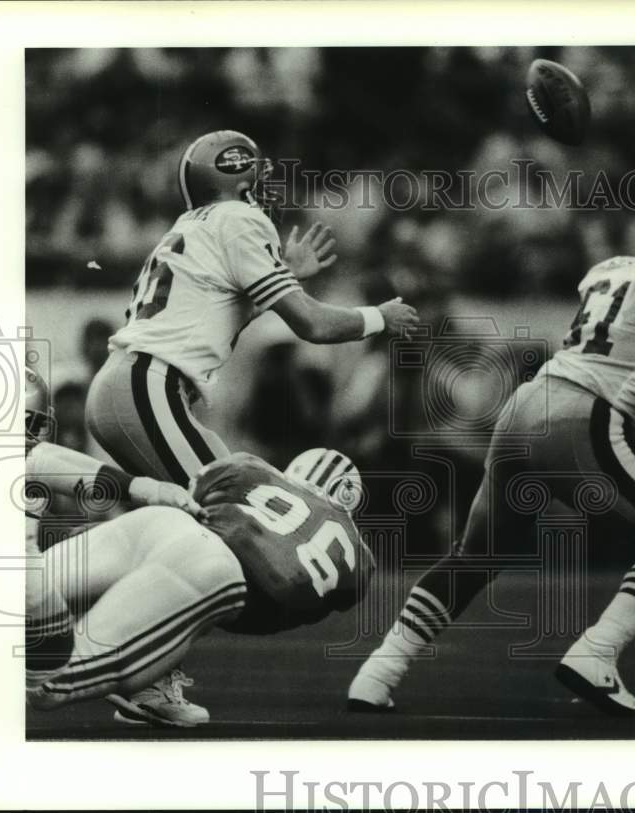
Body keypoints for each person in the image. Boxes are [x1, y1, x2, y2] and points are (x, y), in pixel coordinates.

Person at [348, 186, 635, 715]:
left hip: (527, 405)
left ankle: (377, 672)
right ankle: (596, 654)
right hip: (581, 419)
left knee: (474, 556)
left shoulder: (614, 270)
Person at [82, 129, 416, 724]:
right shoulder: (238, 220)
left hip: (142, 387)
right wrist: (378, 318)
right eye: (255, 178)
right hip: (149, 388)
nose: (263, 189)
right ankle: (129, 665)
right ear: (240, 180)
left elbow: (218, 303)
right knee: (218, 539)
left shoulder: (204, 225)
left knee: (186, 534)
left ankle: (129, 656)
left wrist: (286, 270)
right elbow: (311, 324)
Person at [28, 369, 375, 722]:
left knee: (5, 599)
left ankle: (151, 686)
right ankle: (146, 680)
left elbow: (194, 498)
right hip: (217, 571)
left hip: (163, 522)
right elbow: (317, 598)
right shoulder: (359, 558)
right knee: (47, 683)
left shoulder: (251, 467)